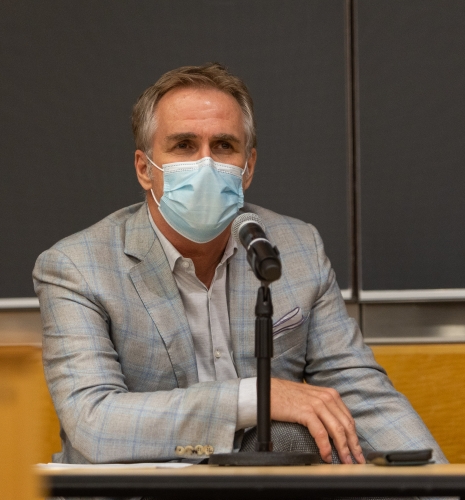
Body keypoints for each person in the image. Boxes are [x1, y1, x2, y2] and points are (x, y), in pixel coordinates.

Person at [33, 63, 446, 469]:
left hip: (262, 486)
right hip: (141, 490)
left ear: (247, 167)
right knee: (289, 431)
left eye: (224, 146)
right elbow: (94, 421)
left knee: (301, 442)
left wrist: (441, 487)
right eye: (184, 146)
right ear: (144, 168)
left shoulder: (294, 247)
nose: (206, 163)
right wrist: (253, 398)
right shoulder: (75, 266)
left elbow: (359, 392)